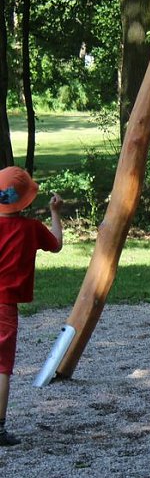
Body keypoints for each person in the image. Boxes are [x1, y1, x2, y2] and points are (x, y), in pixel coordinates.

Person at [0, 166, 63, 446]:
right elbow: (57, 244)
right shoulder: (32, 229)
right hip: (4, 307)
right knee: (2, 368)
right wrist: (55, 213)